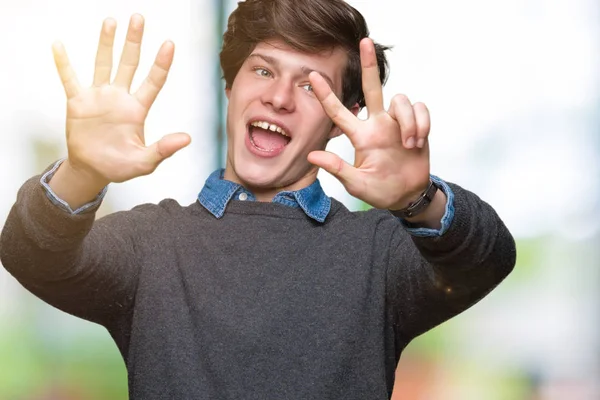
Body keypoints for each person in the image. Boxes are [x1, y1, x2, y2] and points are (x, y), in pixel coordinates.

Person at [0, 0, 516, 399]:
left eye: (312, 87)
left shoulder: (378, 252)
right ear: (231, 84)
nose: (279, 97)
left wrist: (418, 198)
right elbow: (29, 254)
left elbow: (488, 258)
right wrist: (82, 173)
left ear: (344, 118)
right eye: (264, 70)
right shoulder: (150, 245)